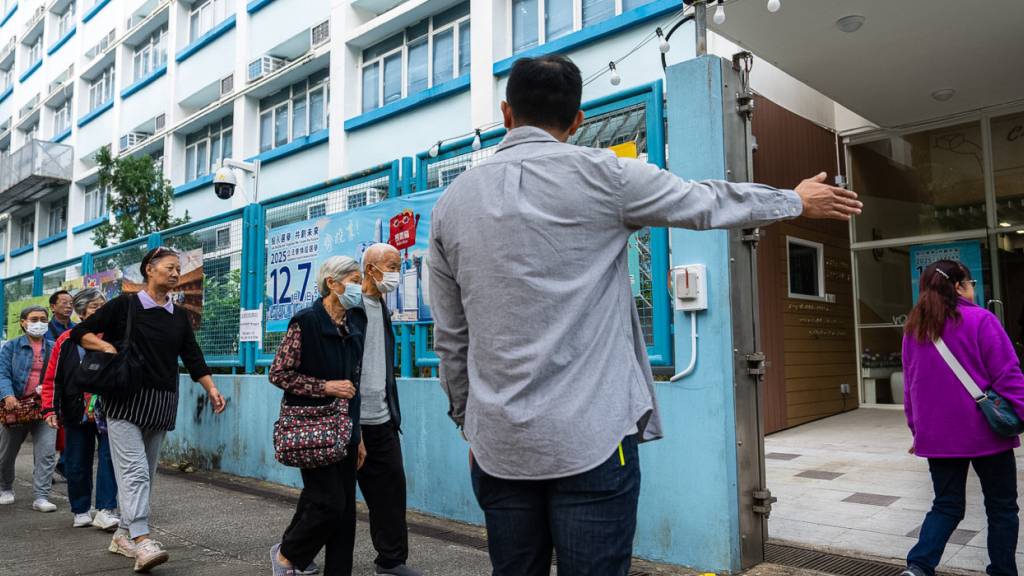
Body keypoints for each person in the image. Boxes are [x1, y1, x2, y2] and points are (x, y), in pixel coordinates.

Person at [428, 54, 863, 575]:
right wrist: (792, 201)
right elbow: (704, 202)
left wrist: (468, 422)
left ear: (505, 113)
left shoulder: (451, 203)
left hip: (500, 444)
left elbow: (451, 337)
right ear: (577, 119)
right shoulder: (604, 176)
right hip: (594, 437)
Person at [71, 247, 226, 573]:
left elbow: (193, 356)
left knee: (146, 475)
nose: (174, 273)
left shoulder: (179, 315)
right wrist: (106, 345)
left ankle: (124, 535)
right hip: (124, 400)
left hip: (161, 403)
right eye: (169, 267)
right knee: (135, 472)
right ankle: (142, 540)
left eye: (177, 269)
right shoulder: (124, 305)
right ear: (149, 269)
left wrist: (211, 389)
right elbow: (79, 332)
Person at [901, 260, 1024, 576]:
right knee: (1002, 508)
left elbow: (911, 386)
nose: (973, 290)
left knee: (946, 505)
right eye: (970, 284)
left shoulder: (916, 328)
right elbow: (1008, 375)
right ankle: (1002, 571)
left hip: (938, 437)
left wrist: (918, 432)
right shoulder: (982, 319)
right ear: (958, 287)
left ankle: (918, 568)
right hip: (987, 434)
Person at [270, 256, 367, 576]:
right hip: (312, 428)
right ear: (332, 283)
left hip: (346, 427)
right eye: (354, 279)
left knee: (345, 513)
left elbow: (354, 383)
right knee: (328, 502)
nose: (359, 285)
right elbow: (279, 373)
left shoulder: (353, 324)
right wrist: (325, 387)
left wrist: (359, 436)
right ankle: (287, 555)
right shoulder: (306, 321)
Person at [357, 243, 418, 576]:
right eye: (391, 266)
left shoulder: (381, 306)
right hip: (349, 420)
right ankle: (295, 552)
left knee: (392, 490)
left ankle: (391, 560)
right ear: (370, 269)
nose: (396, 273)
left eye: (398, 266)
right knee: (327, 498)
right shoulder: (349, 305)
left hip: (382, 418)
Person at [41, 288, 120, 531]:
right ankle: (81, 509)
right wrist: (49, 410)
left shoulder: (115, 335)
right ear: (82, 312)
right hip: (76, 410)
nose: (101, 311)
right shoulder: (66, 340)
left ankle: (106, 509)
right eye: (96, 307)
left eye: (103, 306)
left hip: (109, 409)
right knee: (76, 462)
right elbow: (53, 378)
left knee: (109, 458)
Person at [0, 306, 57, 512]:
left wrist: (52, 390)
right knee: (6, 453)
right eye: (34, 319)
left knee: (47, 452)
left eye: (43, 319)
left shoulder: (53, 347)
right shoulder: (12, 347)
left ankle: (41, 496)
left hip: (44, 408)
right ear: (23, 322)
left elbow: (60, 375)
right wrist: (8, 395)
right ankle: (5, 487)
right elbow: (2, 373)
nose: (39, 323)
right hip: (16, 407)